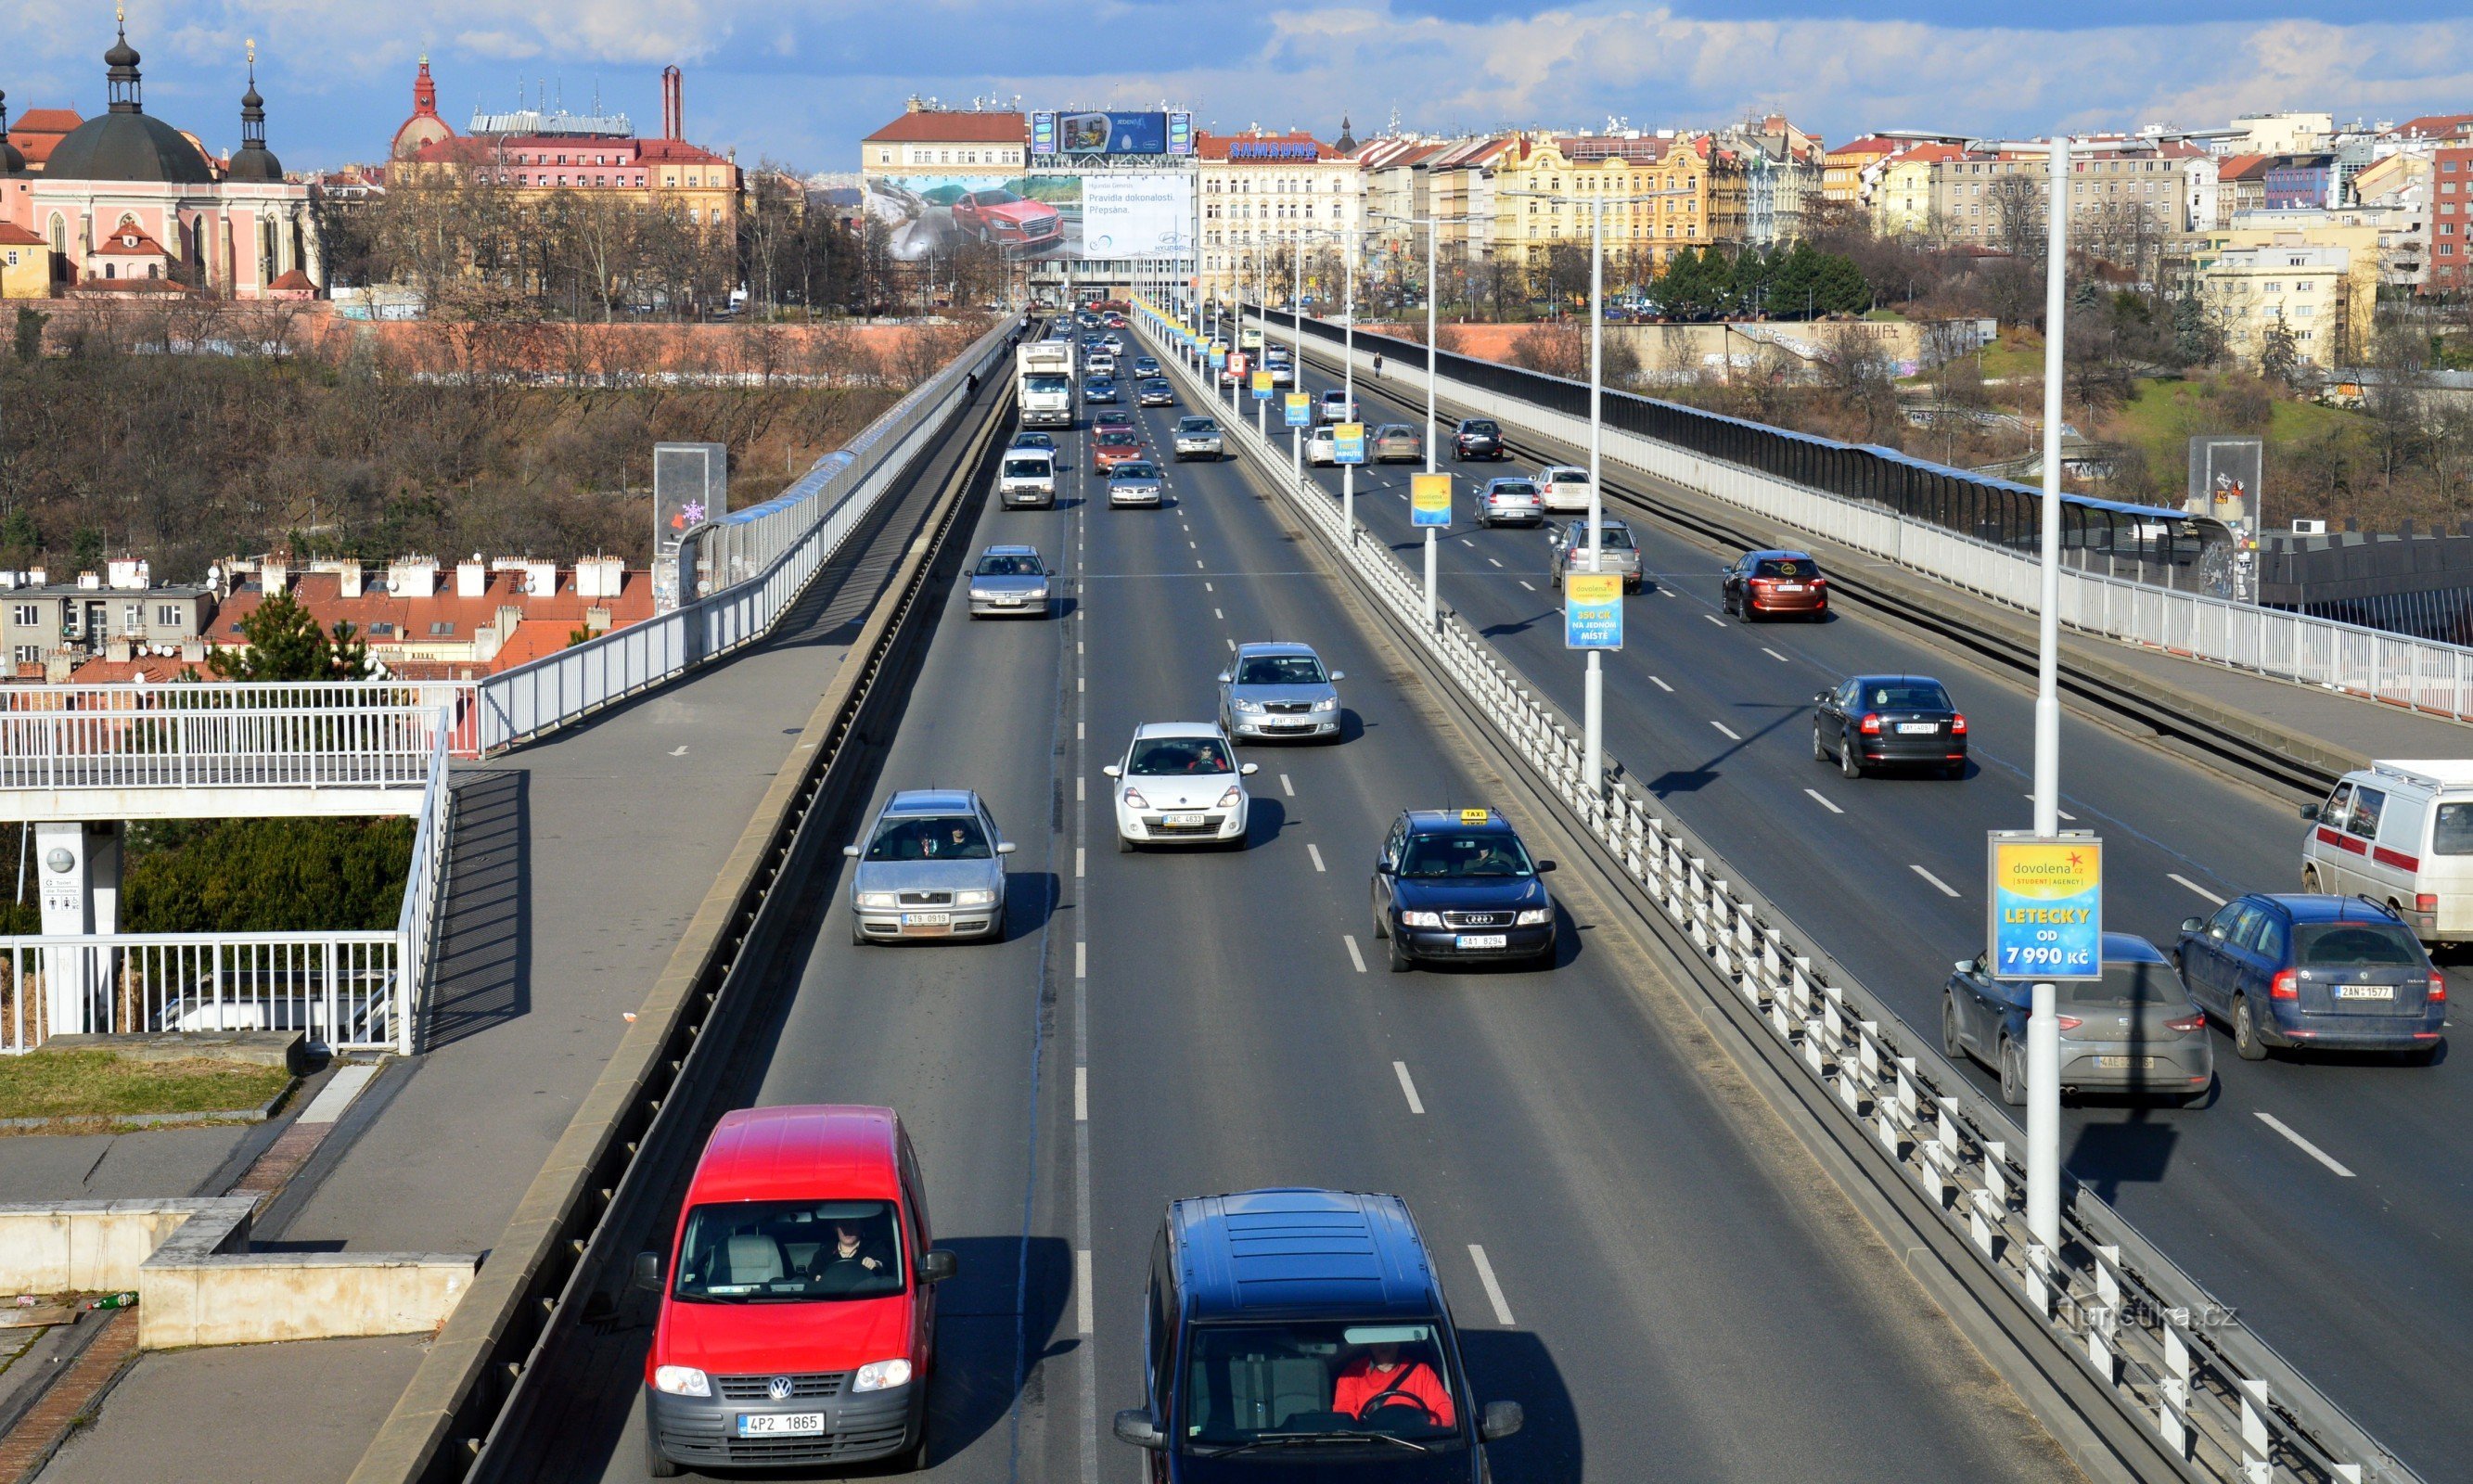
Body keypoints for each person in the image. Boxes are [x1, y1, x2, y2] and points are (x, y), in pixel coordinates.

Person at [1331, 1340, 1454, 1427]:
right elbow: (1344, 1418)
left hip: (1415, 1444)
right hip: (1370, 1446)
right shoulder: (1353, 1374)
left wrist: (1423, 1430)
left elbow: (1445, 1411)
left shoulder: (1421, 1371)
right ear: (1370, 1344)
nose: (1384, 1344)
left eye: (1390, 1339)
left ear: (1398, 1342)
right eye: (1378, 1339)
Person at [810, 1219, 894, 1292]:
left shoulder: (875, 1247)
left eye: (852, 1224)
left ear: (861, 1226)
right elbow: (812, 1274)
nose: (848, 1229)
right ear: (836, 1228)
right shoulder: (824, 1253)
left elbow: (887, 1264)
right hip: (831, 1301)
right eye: (843, 1225)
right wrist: (817, 1278)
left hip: (867, 1297)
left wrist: (876, 1264)